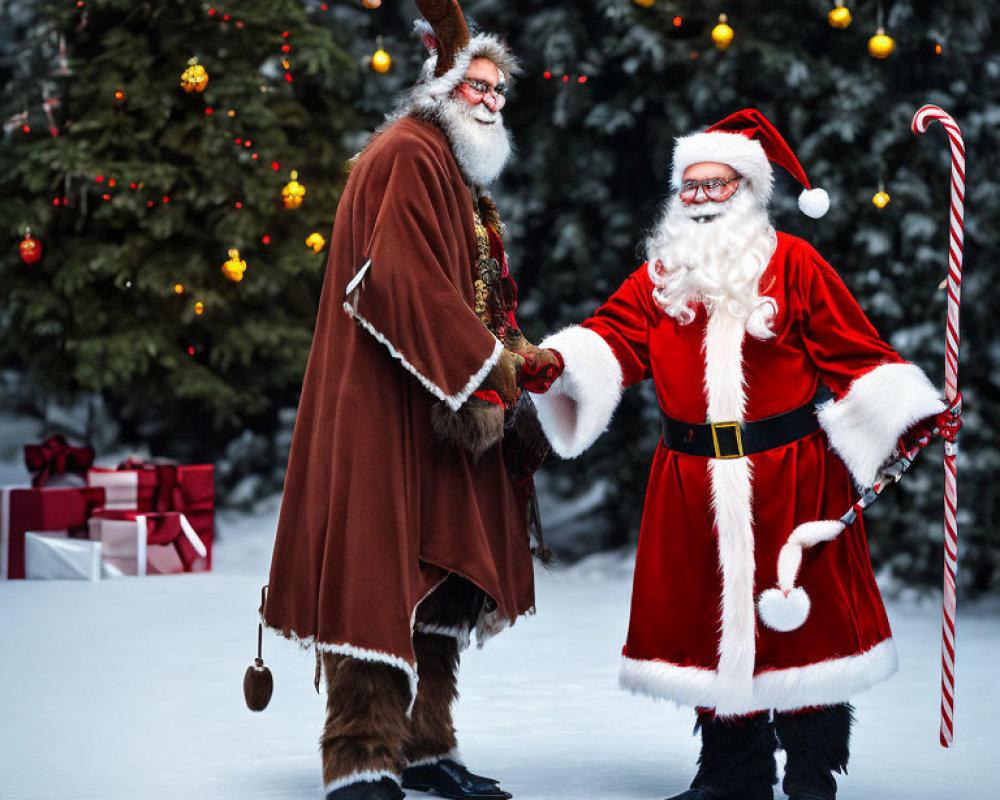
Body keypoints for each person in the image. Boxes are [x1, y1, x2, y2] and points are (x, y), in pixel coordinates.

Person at [525, 109, 959, 800]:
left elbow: (853, 349)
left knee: (801, 624)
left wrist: (908, 413)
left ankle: (814, 774)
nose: (699, 198)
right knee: (707, 621)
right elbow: (613, 339)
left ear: (749, 191)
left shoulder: (797, 264)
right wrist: (554, 361)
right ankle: (733, 773)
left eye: (715, 185)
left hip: (792, 474)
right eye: (689, 186)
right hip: (690, 477)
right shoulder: (659, 276)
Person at [261, 3, 561, 799]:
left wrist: (518, 356)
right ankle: (360, 758)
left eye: (501, 89)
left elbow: (473, 293)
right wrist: (485, 364)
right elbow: (391, 281)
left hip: (441, 408)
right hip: (386, 407)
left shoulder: (453, 173)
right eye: (480, 85)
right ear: (442, 85)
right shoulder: (406, 154)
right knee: (376, 570)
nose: (493, 99)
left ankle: (427, 746)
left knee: (437, 571)